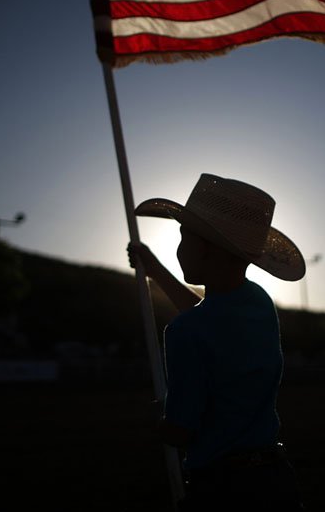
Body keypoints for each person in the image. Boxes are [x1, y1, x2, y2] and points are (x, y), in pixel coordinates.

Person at [127, 173, 306, 511]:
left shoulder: (185, 332)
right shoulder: (259, 302)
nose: (179, 248)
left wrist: (161, 419)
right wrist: (155, 270)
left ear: (205, 248)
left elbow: (180, 433)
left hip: (223, 491)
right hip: (275, 481)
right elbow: (209, 315)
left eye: (183, 238)